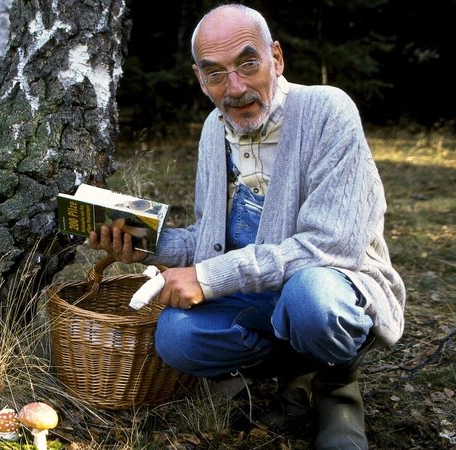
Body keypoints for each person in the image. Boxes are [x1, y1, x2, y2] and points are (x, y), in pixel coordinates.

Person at [88, 4, 405, 449]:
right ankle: (293, 373)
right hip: (256, 296)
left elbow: (329, 246)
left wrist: (208, 278)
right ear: (200, 79)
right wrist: (146, 245)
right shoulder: (213, 129)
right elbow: (210, 239)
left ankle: (337, 387)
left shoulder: (328, 110)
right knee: (176, 335)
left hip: (332, 286)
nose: (234, 88)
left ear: (276, 58)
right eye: (215, 73)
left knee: (310, 297)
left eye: (248, 64)